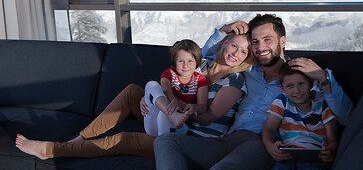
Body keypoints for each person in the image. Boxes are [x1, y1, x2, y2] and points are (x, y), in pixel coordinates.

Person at [154, 14, 354, 170]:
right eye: (256, 42)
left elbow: (346, 117)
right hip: (227, 139)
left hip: (261, 143)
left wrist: (323, 77)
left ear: (282, 41)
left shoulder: (299, 78)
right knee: (165, 142)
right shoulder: (247, 70)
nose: (260, 47)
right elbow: (204, 58)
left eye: (267, 39)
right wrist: (224, 31)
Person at [15, 33, 255, 161]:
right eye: (234, 46)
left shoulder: (236, 81)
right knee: (133, 91)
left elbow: (207, 117)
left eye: (244, 51)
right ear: (225, 44)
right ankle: (78, 139)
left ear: (247, 57)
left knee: (123, 140)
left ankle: (52, 150)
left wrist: (176, 108)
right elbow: (168, 82)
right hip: (169, 120)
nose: (236, 53)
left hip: (191, 137)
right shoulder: (202, 64)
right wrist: (152, 100)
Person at [262, 62, 338, 170]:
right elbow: (269, 128)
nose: (296, 91)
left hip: (315, 159)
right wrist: (270, 147)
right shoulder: (282, 102)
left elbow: (332, 140)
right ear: (282, 89)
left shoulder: (322, 105)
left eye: (301, 84)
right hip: (287, 157)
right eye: (290, 86)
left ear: (311, 84)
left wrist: (329, 150)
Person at [143, 39, 209, 137]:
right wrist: (173, 101)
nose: (185, 65)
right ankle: (172, 116)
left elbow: (202, 106)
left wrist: (194, 107)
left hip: (181, 126)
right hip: (153, 124)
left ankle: (163, 143)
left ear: (197, 62)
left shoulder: (200, 80)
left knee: (164, 113)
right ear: (174, 61)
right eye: (181, 61)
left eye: (190, 61)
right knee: (151, 84)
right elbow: (165, 89)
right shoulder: (169, 73)